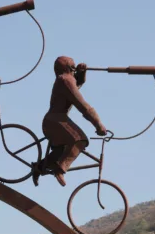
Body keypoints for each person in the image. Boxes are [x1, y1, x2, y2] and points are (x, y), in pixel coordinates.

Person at [31, 56, 107, 187]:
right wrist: (98, 124)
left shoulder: (65, 80)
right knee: (79, 140)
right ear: (71, 68)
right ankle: (60, 169)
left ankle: (39, 167)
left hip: (54, 120)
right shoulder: (65, 80)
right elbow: (83, 105)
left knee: (61, 151)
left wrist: (82, 74)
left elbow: (76, 87)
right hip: (56, 121)